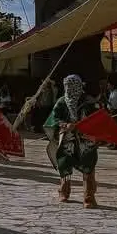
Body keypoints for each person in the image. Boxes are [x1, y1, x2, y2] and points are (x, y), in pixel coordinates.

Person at [44, 74, 100, 208]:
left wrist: (84, 126)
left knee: (88, 166)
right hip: (67, 140)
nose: (70, 89)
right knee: (64, 164)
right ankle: (64, 191)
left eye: (73, 86)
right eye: (67, 86)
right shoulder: (62, 102)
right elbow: (54, 119)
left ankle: (89, 197)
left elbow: (98, 119)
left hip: (85, 140)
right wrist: (65, 125)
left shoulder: (90, 102)